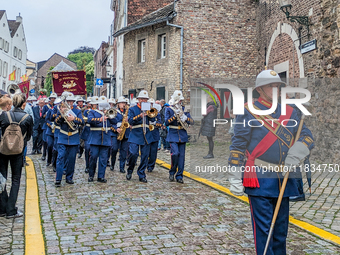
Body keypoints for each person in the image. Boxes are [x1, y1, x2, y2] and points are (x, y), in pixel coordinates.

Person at [228, 69, 314, 255]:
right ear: (260, 89)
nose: (275, 89)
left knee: (281, 231)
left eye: (277, 86)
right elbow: (238, 144)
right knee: (265, 231)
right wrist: (235, 174)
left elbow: (306, 136)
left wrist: (297, 151)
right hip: (259, 178)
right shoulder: (248, 110)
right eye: (271, 86)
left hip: (284, 178)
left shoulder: (291, 111)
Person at [0, 93, 33, 218]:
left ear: (12, 103)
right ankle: (11, 209)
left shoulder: (4, 115)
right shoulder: (27, 117)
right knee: (15, 179)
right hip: (18, 152)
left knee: (2, 178)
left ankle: (2, 208)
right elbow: (29, 137)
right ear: (23, 103)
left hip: (3, 150)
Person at [165, 91, 194, 183]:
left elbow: (192, 121)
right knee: (175, 153)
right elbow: (166, 122)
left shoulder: (185, 109)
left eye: (180, 101)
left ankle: (179, 176)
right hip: (173, 134)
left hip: (182, 134)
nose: (179, 102)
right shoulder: (169, 109)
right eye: (178, 101)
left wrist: (186, 118)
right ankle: (172, 171)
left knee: (182, 157)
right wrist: (174, 116)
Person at [55, 94, 84, 186]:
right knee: (60, 157)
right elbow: (56, 121)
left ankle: (69, 177)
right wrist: (62, 115)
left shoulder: (77, 111)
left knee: (71, 159)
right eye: (68, 101)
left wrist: (74, 118)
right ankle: (58, 179)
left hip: (73, 138)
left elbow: (82, 121)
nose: (69, 103)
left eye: (71, 101)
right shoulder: (60, 110)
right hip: (62, 137)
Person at [126, 90, 155, 183]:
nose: (143, 100)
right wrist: (140, 116)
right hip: (135, 133)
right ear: (138, 99)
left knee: (145, 156)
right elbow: (130, 120)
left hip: (146, 134)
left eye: (145, 99)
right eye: (142, 99)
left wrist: (149, 113)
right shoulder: (132, 109)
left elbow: (153, 118)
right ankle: (130, 170)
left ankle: (141, 174)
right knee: (133, 153)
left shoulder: (149, 109)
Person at [87, 96, 116, 183]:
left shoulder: (107, 112)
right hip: (95, 138)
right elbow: (89, 120)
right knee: (93, 157)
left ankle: (101, 176)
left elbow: (115, 122)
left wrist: (110, 115)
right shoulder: (92, 112)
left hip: (106, 139)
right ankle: (91, 175)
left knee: (103, 159)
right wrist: (100, 119)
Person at [114, 96, 130, 173]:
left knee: (124, 151)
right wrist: (117, 127)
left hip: (125, 133)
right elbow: (112, 122)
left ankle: (122, 167)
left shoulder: (127, 112)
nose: (123, 104)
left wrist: (129, 122)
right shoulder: (115, 112)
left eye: (124, 103)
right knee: (114, 149)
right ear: (118, 104)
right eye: (122, 103)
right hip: (117, 132)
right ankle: (112, 163)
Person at [147, 98, 162, 172]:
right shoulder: (145, 113)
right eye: (150, 104)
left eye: (152, 104)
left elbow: (160, 123)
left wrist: (155, 123)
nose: (151, 105)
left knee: (153, 152)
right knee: (146, 152)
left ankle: (150, 166)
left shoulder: (157, 113)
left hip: (154, 135)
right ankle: (146, 163)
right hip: (146, 134)